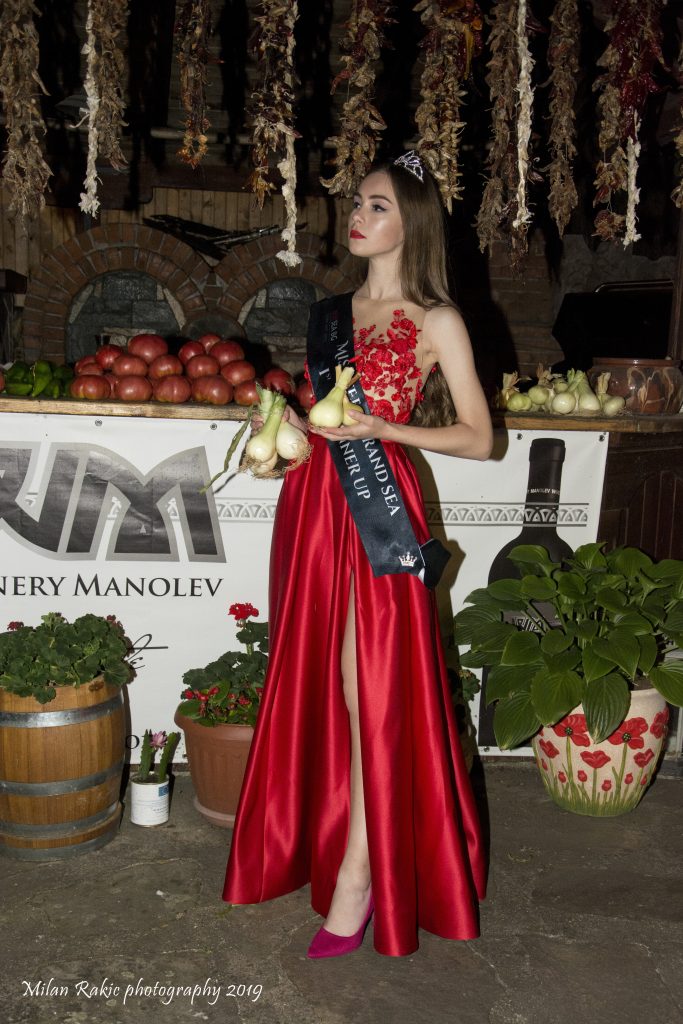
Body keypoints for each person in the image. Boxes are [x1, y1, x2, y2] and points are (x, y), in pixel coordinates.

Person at [223, 151, 493, 958]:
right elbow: (322, 422)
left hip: (378, 511)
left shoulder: (437, 319)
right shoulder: (329, 313)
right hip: (312, 509)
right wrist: (281, 434)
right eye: (357, 203)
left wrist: (386, 429)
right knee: (319, 684)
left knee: (366, 689)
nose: (358, 216)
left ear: (412, 221)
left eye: (377, 205)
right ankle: (337, 848)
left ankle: (359, 876)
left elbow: (479, 438)